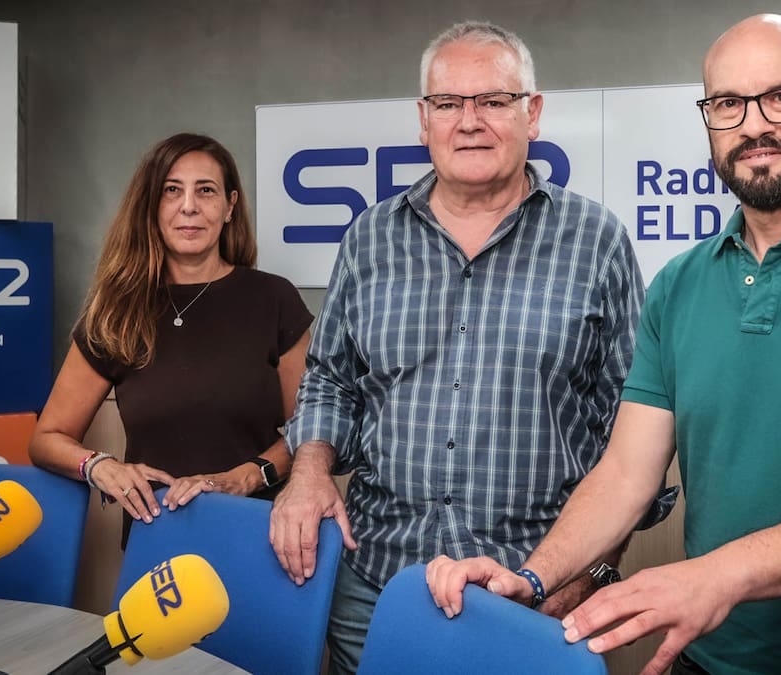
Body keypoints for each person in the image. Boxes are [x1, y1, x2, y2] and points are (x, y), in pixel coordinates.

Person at [426, 13, 781, 675]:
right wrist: (536, 577)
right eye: (726, 103)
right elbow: (626, 475)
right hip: (707, 660)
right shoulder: (677, 285)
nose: (752, 125)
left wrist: (714, 575)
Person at [270, 21, 661, 675]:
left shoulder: (597, 241)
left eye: (493, 100)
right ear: (423, 120)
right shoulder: (369, 238)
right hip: (375, 586)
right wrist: (308, 473)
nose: (469, 121)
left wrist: (582, 576)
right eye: (449, 103)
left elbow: (632, 442)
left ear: (532, 113)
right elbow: (330, 377)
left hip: (534, 593)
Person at [30, 133, 311, 545]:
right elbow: (46, 439)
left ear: (230, 206)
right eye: (171, 191)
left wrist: (246, 477)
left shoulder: (273, 299)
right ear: (152, 206)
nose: (189, 206)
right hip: (157, 541)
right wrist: (100, 465)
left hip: (260, 536)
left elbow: (310, 432)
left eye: (206, 191)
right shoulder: (117, 311)